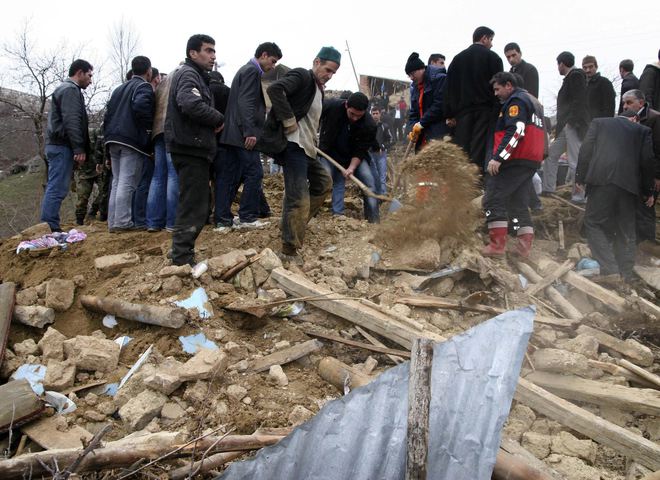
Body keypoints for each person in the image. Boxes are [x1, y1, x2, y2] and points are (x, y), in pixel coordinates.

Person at [257, 46, 341, 264]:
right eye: (328, 70)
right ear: (316, 62)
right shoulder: (302, 75)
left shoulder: (318, 89)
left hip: (307, 148)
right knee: (298, 198)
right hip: (294, 146)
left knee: (323, 183)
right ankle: (289, 249)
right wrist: (288, 119)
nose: (329, 76)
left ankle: (294, 224)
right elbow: (276, 89)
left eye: (333, 73)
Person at [165, 34, 224, 266]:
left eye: (214, 51)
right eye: (208, 50)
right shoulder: (189, 74)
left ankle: (181, 253)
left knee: (196, 203)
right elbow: (190, 103)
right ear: (193, 53)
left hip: (193, 148)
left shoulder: (196, 75)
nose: (213, 56)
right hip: (190, 148)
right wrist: (218, 117)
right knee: (194, 205)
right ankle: (181, 259)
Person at [576, 110, 655, 280]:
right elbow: (647, 161)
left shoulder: (599, 122)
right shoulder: (642, 131)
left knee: (593, 223)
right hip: (628, 187)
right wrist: (649, 191)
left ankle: (609, 268)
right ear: (635, 119)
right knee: (625, 229)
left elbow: (586, 149)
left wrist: (580, 177)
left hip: (601, 181)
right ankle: (624, 274)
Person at [215, 42, 282, 232]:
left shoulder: (244, 70)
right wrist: (250, 131)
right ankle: (247, 217)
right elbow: (246, 103)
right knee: (255, 173)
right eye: (272, 61)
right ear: (263, 55)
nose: (273, 66)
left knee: (230, 176)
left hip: (232, 134)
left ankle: (222, 220)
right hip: (242, 135)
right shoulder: (252, 71)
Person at [482, 72, 545, 258]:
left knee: (492, 198)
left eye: (497, 89)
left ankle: (497, 245)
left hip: (516, 159)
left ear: (508, 85)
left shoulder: (516, 102)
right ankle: (523, 247)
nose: (495, 94)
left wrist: (499, 157)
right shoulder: (534, 101)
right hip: (530, 160)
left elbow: (516, 131)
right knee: (518, 203)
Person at [40, 59, 93, 232]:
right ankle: (49, 227)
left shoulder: (65, 89)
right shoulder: (70, 90)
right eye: (89, 75)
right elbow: (71, 120)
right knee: (57, 187)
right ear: (79, 73)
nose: (90, 80)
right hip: (62, 146)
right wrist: (78, 147)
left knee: (57, 185)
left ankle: (49, 225)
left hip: (57, 145)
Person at [104, 55, 155, 232]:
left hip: (112, 139)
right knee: (127, 181)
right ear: (148, 71)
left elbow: (108, 114)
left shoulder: (118, 89)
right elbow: (141, 106)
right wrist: (147, 131)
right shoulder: (143, 86)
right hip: (131, 140)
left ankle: (113, 221)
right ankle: (123, 222)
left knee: (117, 181)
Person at [445, 26, 503, 171]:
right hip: (485, 111)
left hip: (462, 113)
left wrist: (449, 114)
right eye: (491, 40)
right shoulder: (493, 58)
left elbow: (449, 88)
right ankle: (476, 183)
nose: (491, 44)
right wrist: (498, 111)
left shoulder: (458, 59)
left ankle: (462, 183)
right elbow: (499, 87)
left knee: (462, 150)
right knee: (480, 149)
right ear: (484, 38)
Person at [319, 92, 379, 223]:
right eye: (352, 114)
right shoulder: (331, 107)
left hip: (353, 155)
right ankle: (320, 213)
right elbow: (313, 115)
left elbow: (360, 150)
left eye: (359, 115)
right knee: (325, 179)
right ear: (346, 105)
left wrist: (351, 167)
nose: (355, 118)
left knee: (368, 180)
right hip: (329, 153)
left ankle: (373, 220)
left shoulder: (369, 125)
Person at [541, 51, 589, 201]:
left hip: (573, 125)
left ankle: (579, 196)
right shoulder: (572, 77)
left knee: (574, 161)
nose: (558, 68)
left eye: (558, 64)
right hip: (565, 126)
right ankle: (548, 189)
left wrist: (571, 121)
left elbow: (578, 100)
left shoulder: (576, 75)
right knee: (551, 155)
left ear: (562, 63)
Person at [621, 89, 660, 243]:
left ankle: (648, 243)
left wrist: (657, 176)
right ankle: (634, 242)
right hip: (631, 171)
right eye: (624, 102)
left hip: (648, 172)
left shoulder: (655, 119)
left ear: (641, 103)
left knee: (646, 207)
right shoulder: (626, 118)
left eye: (629, 102)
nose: (625, 106)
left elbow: (658, 149)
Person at [146, 72, 179, 232]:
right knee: (174, 174)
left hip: (157, 130)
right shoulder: (183, 77)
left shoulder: (161, 84)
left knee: (158, 176)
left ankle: (153, 222)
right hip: (172, 129)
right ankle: (172, 222)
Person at [405, 52, 448, 151]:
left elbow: (439, 105)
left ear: (421, 69)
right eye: (409, 75)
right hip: (422, 136)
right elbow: (413, 113)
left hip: (437, 133)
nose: (411, 78)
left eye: (412, 74)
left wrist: (421, 123)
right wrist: (412, 130)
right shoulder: (415, 87)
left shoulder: (439, 79)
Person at [74, 127, 106, 225]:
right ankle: (79, 220)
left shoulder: (96, 133)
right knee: (82, 197)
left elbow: (102, 148)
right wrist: (71, 179)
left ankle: (94, 210)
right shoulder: (76, 139)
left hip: (99, 168)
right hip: (84, 171)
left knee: (104, 192)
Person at [583, 55, 616, 121]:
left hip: (600, 124)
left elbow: (609, 107)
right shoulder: (582, 85)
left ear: (596, 67)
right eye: (585, 68)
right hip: (584, 126)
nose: (588, 70)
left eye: (590, 67)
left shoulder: (604, 83)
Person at [370, 106, 393, 196]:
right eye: (373, 113)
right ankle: (374, 195)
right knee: (372, 175)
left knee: (382, 176)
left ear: (380, 114)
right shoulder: (368, 126)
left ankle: (382, 195)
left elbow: (391, 139)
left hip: (381, 154)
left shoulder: (384, 126)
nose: (375, 115)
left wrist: (383, 146)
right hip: (370, 153)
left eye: (377, 113)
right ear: (371, 114)